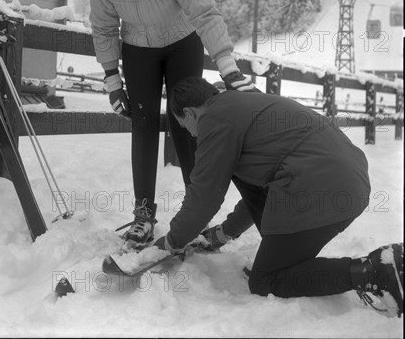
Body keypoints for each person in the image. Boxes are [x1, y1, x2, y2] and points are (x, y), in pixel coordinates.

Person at [154, 76, 403, 317]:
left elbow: (204, 195)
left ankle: (374, 271)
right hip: (347, 184)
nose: (191, 134)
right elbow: (258, 192)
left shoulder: (215, 117)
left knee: (266, 279)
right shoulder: (241, 105)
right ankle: (292, 261)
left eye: (184, 125)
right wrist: (224, 233)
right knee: (276, 265)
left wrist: (171, 242)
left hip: (317, 187)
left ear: (189, 113)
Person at [89, 0, 257, 246]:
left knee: (186, 125)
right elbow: (104, 28)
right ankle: (143, 215)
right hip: (138, 50)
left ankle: (194, 210)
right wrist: (112, 78)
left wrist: (227, 66)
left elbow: (205, 13)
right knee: (143, 124)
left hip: (182, 42)